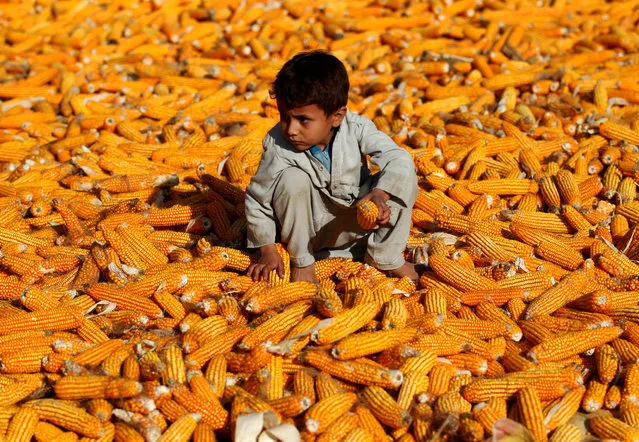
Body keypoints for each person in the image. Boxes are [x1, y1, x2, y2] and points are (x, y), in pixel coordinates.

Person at [244, 50, 418, 283]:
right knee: (292, 179)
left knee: (402, 172)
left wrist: (379, 194)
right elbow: (258, 200)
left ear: (337, 116)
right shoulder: (278, 145)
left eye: (303, 120)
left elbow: (397, 159)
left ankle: (385, 255)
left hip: (355, 223)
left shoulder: (357, 129)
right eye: (284, 117)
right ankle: (302, 262)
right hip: (307, 233)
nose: (291, 129)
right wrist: (267, 250)